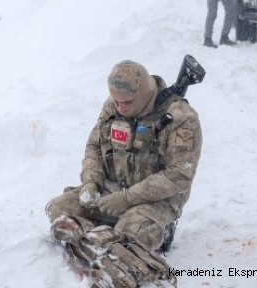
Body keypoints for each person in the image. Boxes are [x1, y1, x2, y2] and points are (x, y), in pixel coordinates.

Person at [45, 60, 203, 286]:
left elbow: (180, 175)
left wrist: (127, 198)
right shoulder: (115, 104)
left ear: (145, 94)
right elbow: (93, 147)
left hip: (154, 201)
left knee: (131, 234)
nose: (120, 108)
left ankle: (109, 240)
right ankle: (101, 240)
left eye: (127, 103)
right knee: (58, 209)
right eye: (116, 101)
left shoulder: (181, 118)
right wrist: (91, 182)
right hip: (109, 189)